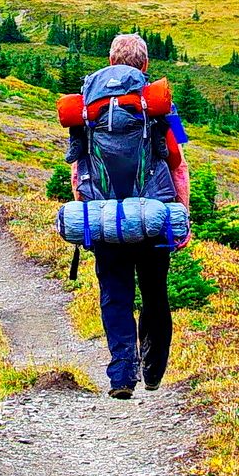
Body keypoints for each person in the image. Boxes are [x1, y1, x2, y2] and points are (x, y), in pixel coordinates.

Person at [67, 33, 191, 400]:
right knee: (154, 292)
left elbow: (78, 166)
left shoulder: (87, 106)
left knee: (114, 294)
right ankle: (152, 370)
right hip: (153, 214)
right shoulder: (160, 104)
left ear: (110, 61)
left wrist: (87, 207)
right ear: (146, 65)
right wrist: (181, 214)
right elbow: (178, 161)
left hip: (104, 214)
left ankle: (122, 375)